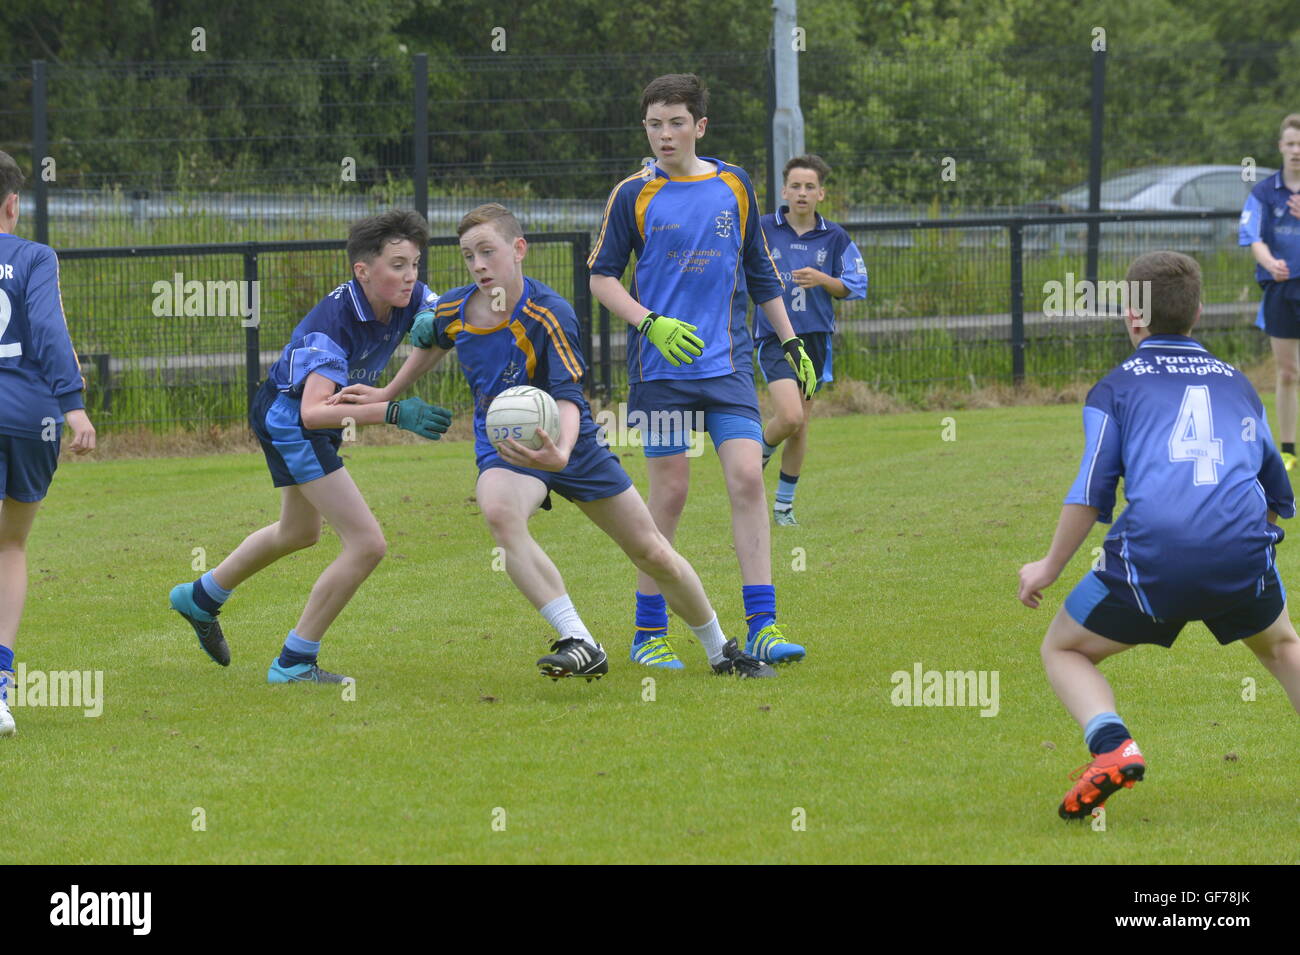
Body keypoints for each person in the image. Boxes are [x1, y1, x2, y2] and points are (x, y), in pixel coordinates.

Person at [331, 203, 773, 679]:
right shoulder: (455, 307)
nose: (478, 265)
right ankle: (579, 639)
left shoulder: (549, 313)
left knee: (650, 550)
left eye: (487, 252)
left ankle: (720, 650)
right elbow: (434, 340)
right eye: (467, 256)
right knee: (499, 511)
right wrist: (389, 392)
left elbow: (566, 395)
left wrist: (560, 451)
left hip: (572, 444)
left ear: (519, 250)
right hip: (507, 448)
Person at [1018, 250, 1300, 820]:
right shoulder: (1240, 385)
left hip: (1153, 558)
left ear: (1132, 315)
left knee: (1064, 648)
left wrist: (1046, 568)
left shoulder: (1115, 388)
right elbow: (1277, 491)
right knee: (1283, 647)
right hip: (1242, 552)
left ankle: (1112, 747)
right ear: (1198, 312)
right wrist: (1239, 549)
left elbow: (1091, 491)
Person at [589, 73, 817, 670]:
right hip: (661, 370)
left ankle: (764, 627)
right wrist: (648, 323)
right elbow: (601, 278)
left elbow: (761, 273)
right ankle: (648, 633)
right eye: (654, 124)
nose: (664, 134)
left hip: (727, 366)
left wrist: (791, 345)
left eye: (676, 123)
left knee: (746, 478)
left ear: (700, 126)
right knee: (669, 493)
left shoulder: (734, 185)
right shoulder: (631, 194)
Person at [168, 210, 451, 685]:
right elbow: (313, 413)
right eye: (398, 265)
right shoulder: (332, 325)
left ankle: (201, 596)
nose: (411, 277)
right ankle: (295, 661)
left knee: (298, 532)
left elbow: (445, 325)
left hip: (306, 418)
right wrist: (393, 412)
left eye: (416, 264)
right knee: (367, 544)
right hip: (292, 420)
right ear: (363, 271)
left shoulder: (411, 296)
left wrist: (391, 386)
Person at [0, 150, 97, 736]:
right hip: (29, 418)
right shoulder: (34, 256)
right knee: (10, 547)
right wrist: (73, 406)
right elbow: (48, 326)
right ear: (13, 204)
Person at [754, 154, 868, 526]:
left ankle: (784, 506)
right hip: (774, 337)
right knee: (787, 417)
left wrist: (822, 278)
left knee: (800, 425)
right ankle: (758, 457)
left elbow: (854, 286)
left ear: (821, 193)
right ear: (784, 191)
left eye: (809, 187)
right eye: (795, 186)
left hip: (815, 340)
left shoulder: (835, 237)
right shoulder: (762, 229)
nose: (801, 193)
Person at [1241, 112, 1300, 471]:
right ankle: (1289, 448)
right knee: (1288, 372)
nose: (1297, 151)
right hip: (1281, 292)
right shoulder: (1264, 192)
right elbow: (1253, 237)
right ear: (1281, 146)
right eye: (1292, 144)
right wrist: (1270, 263)